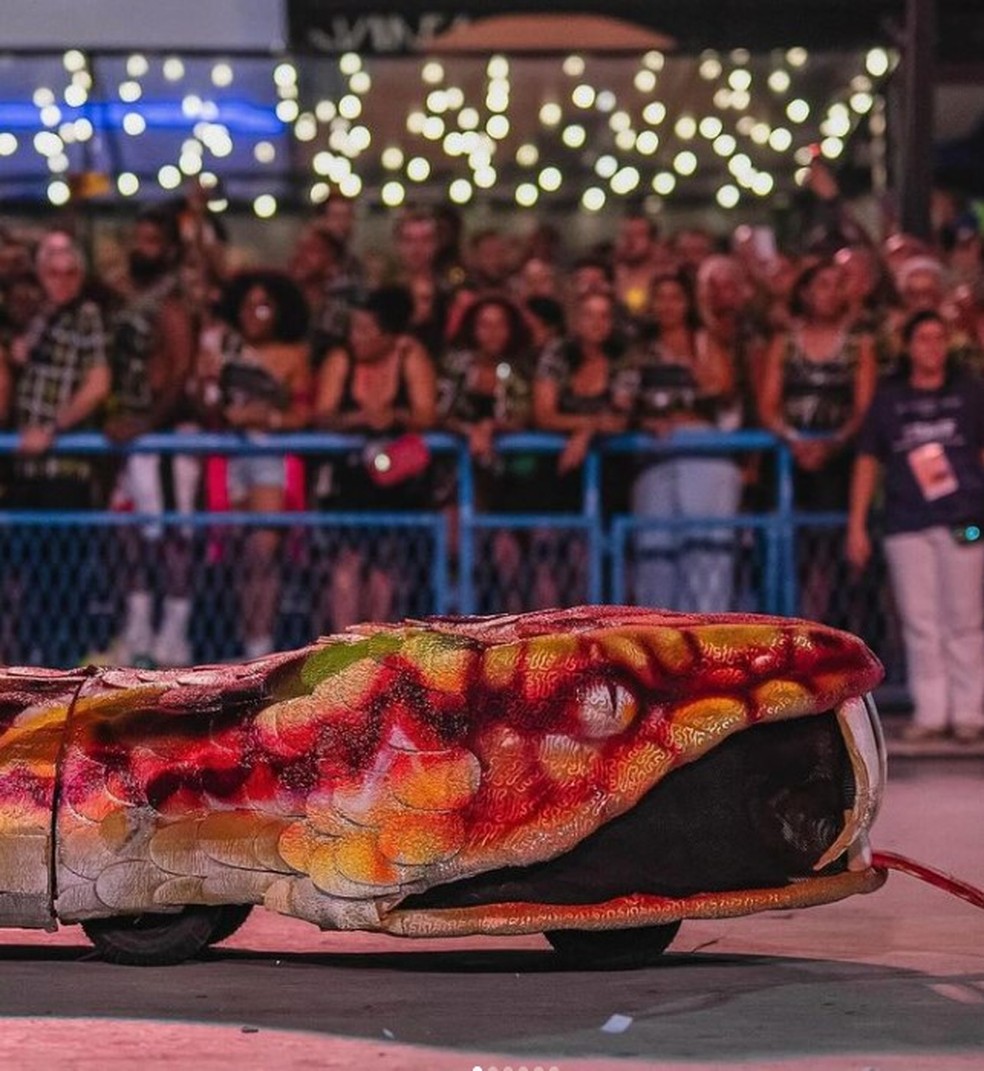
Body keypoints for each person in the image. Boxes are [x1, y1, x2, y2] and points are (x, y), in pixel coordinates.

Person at [847, 310, 984, 744]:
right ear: (908, 346)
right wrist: (857, 525)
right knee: (920, 620)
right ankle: (931, 711)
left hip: (964, 518)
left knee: (965, 619)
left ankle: (969, 712)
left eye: (939, 338)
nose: (931, 347)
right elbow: (868, 460)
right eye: (923, 339)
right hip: (907, 520)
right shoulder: (889, 399)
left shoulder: (970, 393)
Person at [2, 235, 111, 664]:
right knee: (26, 579)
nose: (62, 281)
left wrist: (52, 427)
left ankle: (62, 671)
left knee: (61, 580)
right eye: (53, 272)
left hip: (64, 468)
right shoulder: (32, 317)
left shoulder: (85, 316)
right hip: (26, 472)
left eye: (70, 273)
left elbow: (98, 383)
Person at [614, 270, 741, 613]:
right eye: (661, 298)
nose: (667, 306)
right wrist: (644, 418)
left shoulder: (704, 342)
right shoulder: (637, 352)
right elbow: (622, 401)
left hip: (704, 454)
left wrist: (700, 375)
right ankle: (659, 648)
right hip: (654, 456)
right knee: (655, 553)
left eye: (675, 298)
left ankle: (708, 650)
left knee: (707, 549)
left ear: (688, 304)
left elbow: (727, 390)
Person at [758, 260, 877, 623]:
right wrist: (795, 441)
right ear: (805, 293)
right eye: (822, 284)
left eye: (836, 284)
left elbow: (864, 408)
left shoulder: (860, 345)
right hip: (791, 460)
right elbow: (767, 405)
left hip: (841, 461)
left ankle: (835, 633)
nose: (830, 292)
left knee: (836, 554)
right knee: (797, 551)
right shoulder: (784, 343)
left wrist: (834, 443)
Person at [202, 270, 312, 660]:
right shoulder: (222, 348)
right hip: (229, 456)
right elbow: (206, 405)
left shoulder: (294, 355)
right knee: (237, 552)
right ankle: (247, 645)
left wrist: (265, 419)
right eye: (247, 305)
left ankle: (263, 646)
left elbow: (305, 413)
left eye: (263, 305)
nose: (254, 314)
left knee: (263, 550)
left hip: (269, 454)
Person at [104, 206, 197, 667]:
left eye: (152, 241)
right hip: (130, 432)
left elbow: (181, 371)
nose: (143, 249)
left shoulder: (172, 302)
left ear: (169, 249)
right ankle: (138, 629)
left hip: (162, 435)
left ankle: (173, 636)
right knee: (130, 533)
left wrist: (148, 424)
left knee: (170, 536)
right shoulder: (129, 297)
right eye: (138, 239)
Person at [314, 285, 436, 630]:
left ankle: (377, 654)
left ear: (389, 334)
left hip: (396, 476)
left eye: (365, 330)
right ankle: (342, 649)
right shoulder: (341, 358)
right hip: (349, 476)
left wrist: (394, 418)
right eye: (353, 328)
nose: (356, 337)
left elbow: (427, 415)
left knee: (388, 567)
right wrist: (357, 419)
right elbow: (322, 413)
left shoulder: (409, 354)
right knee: (346, 563)